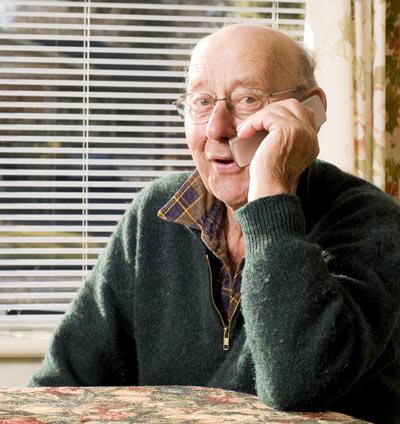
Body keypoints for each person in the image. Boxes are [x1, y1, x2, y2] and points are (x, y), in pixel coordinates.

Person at [29, 24, 400, 423]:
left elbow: (299, 383)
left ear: (309, 111)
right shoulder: (155, 214)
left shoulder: (372, 222)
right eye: (201, 102)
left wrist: (272, 192)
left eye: (247, 99)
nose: (217, 129)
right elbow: (62, 385)